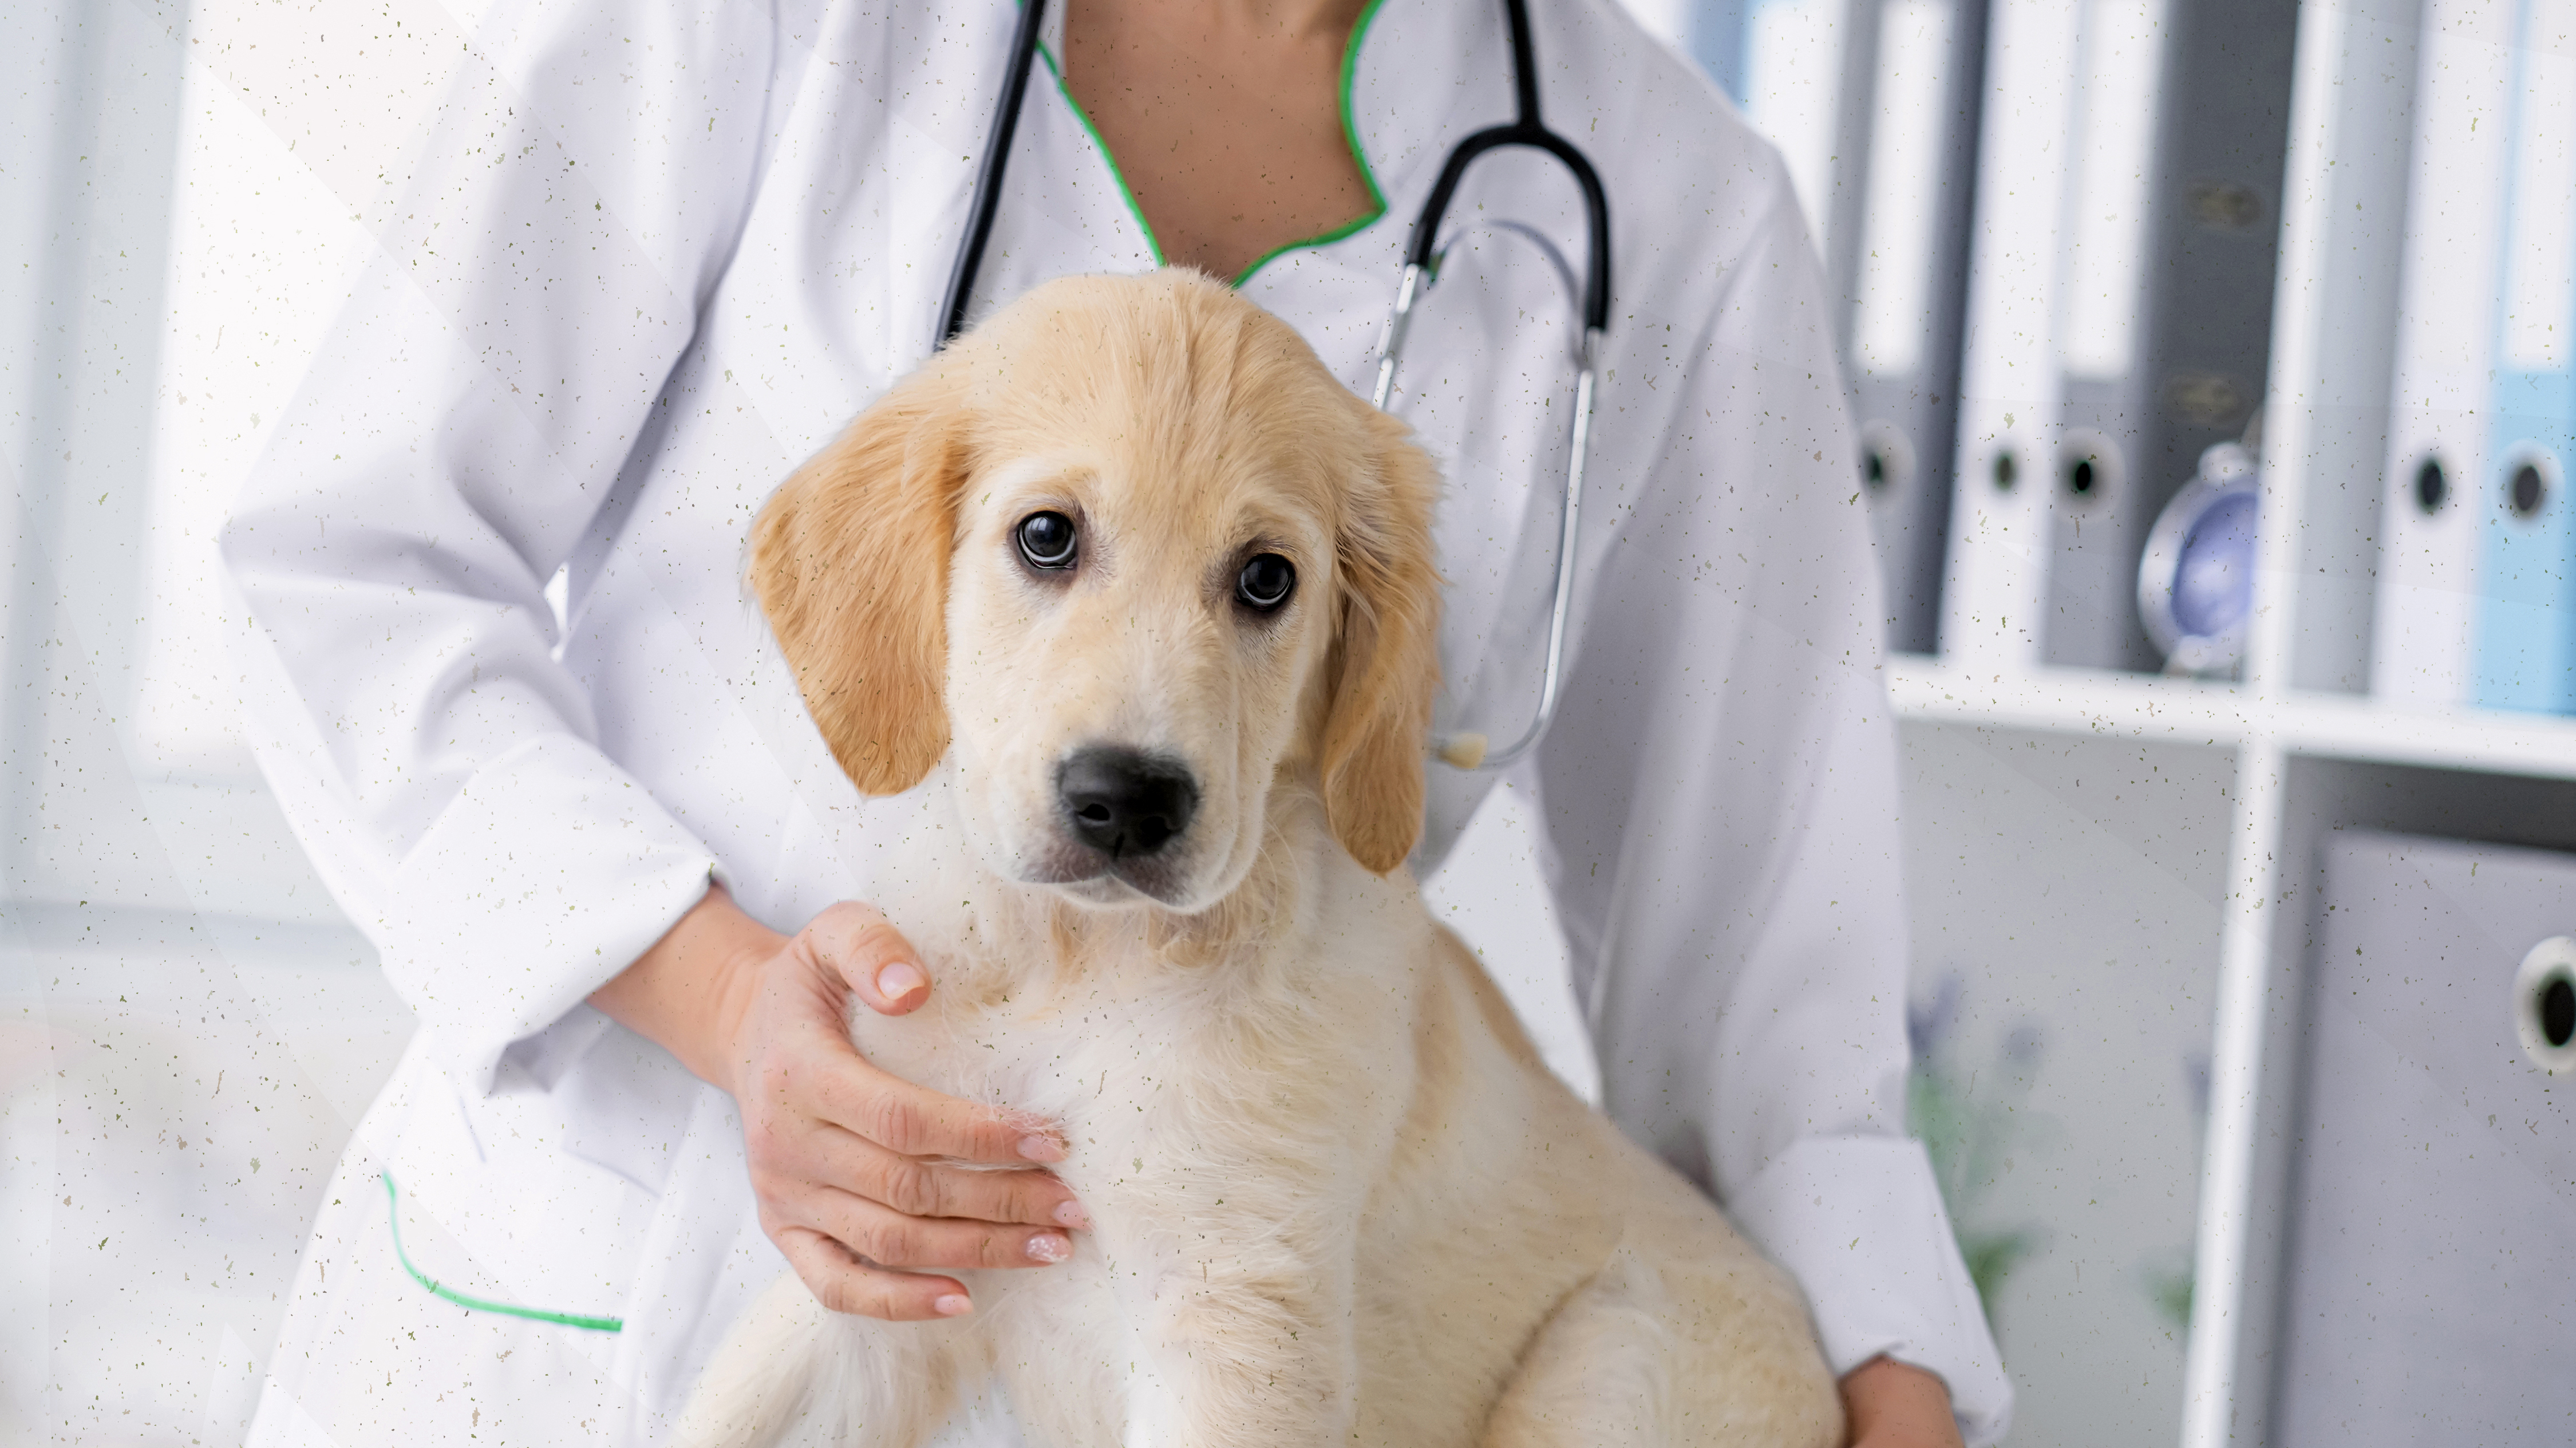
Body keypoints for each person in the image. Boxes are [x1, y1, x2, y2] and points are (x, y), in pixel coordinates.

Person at [223, 0, 2011, 1442]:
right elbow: (353, 566)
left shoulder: (1673, 204)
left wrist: (1886, 1391)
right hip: (594, 1278)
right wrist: (723, 1002)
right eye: (1050, 540)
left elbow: (1772, 974)